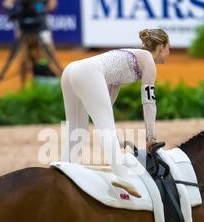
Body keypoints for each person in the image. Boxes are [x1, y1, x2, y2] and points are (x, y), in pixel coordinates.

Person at [60, 28, 170, 197]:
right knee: (106, 130)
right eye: (169, 48)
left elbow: (108, 96)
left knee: (76, 131)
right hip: (88, 73)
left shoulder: (132, 56)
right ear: (162, 46)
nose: (169, 53)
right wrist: (150, 138)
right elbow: (148, 102)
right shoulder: (148, 61)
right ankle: (121, 176)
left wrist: (110, 129)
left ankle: (65, 171)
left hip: (71, 70)